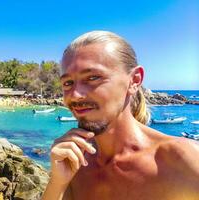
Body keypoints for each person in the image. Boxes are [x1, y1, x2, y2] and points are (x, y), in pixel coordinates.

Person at [42, 31, 199, 200]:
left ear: (134, 80)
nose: (75, 94)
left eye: (93, 77)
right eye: (68, 83)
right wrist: (57, 183)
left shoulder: (183, 161)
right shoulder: (74, 164)